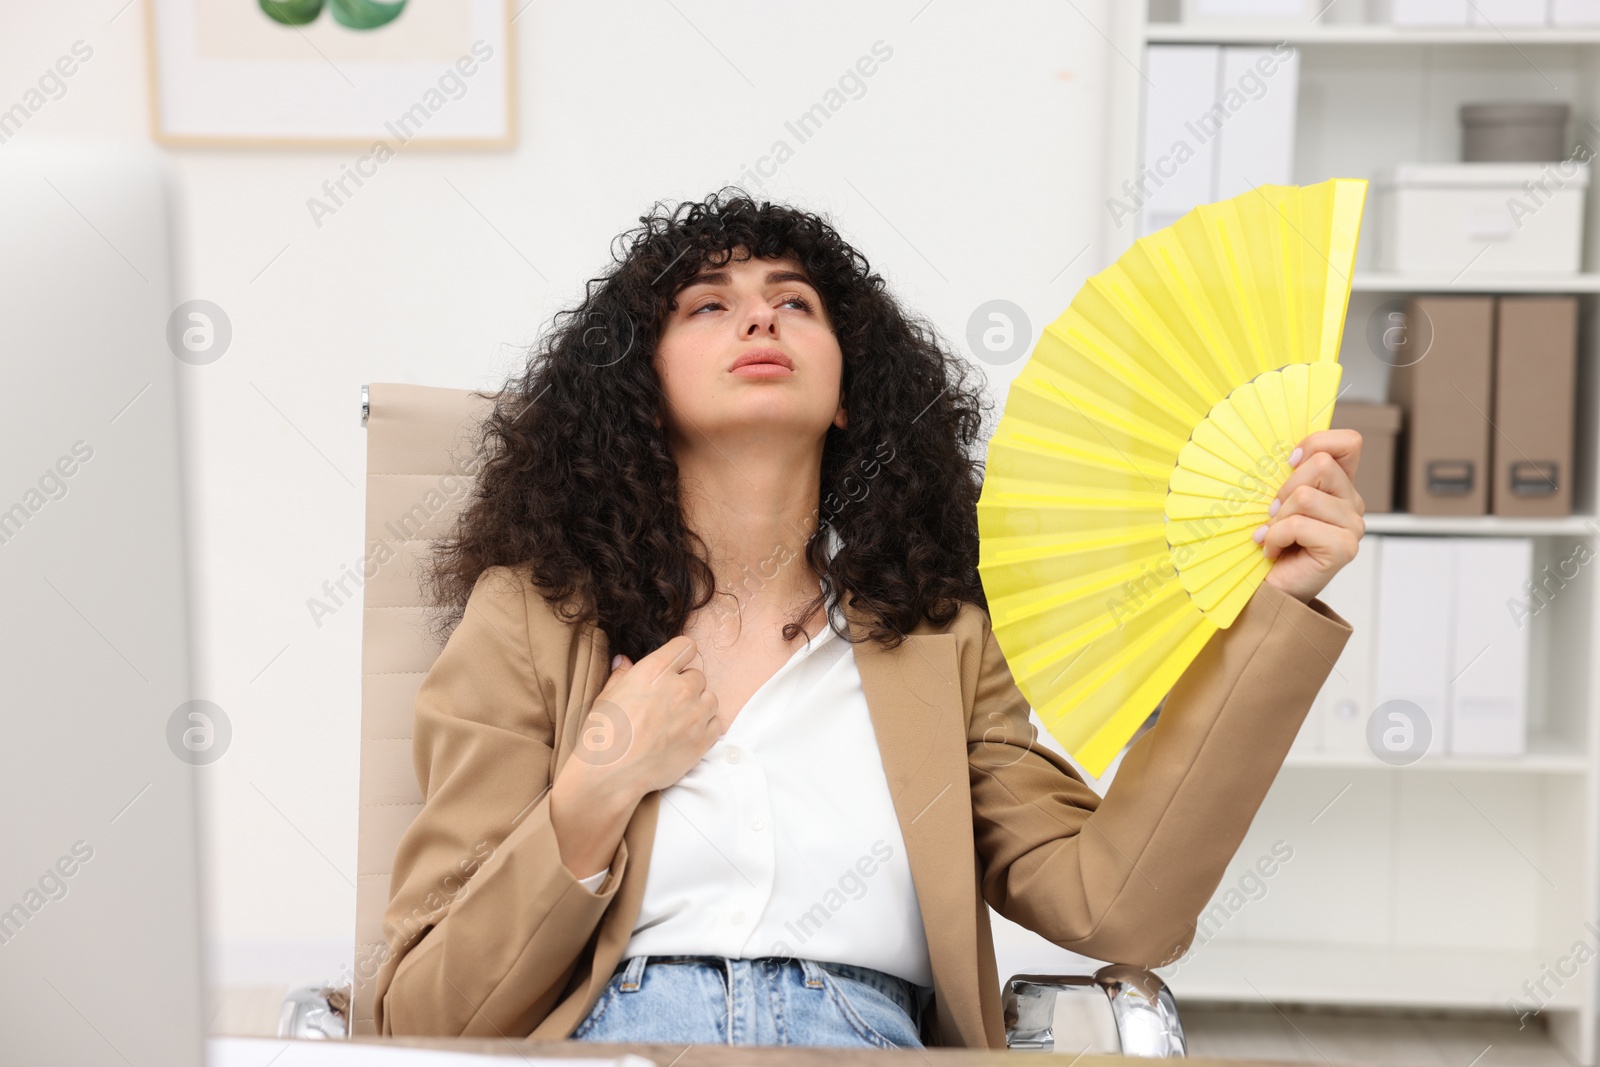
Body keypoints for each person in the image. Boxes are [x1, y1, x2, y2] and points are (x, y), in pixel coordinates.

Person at [370, 189, 1362, 1048]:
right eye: (708, 306)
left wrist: (1274, 609)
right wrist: (598, 785)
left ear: (850, 392)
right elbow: (419, 1013)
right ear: (641, 387)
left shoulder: (939, 638)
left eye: (793, 304)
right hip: (618, 1045)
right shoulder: (533, 620)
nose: (759, 322)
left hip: (869, 1046)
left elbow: (1119, 904)